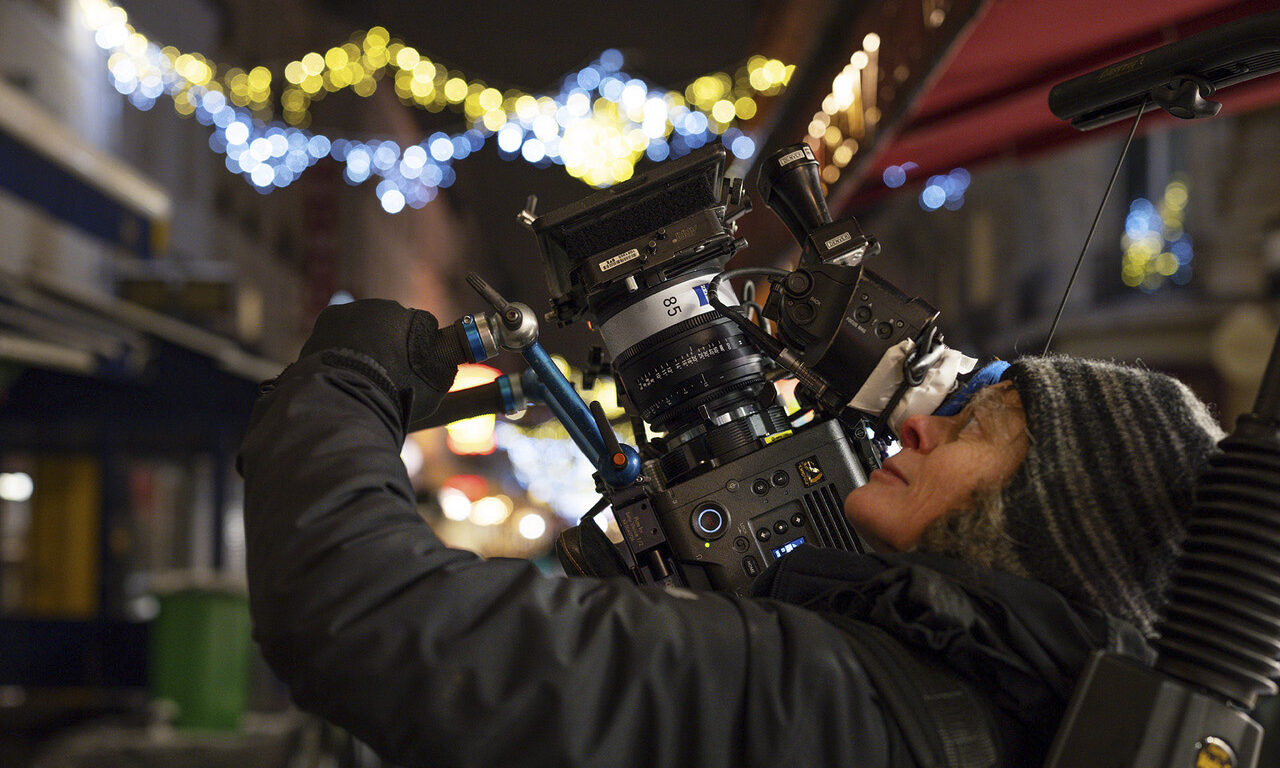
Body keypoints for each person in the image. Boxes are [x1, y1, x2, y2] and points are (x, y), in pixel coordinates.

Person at [238, 299, 1225, 768]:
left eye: (979, 431)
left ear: (1053, 519)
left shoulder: (821, 698)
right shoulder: (1007, 727)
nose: (914, 423)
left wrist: (342, 381)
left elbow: (359, 615)